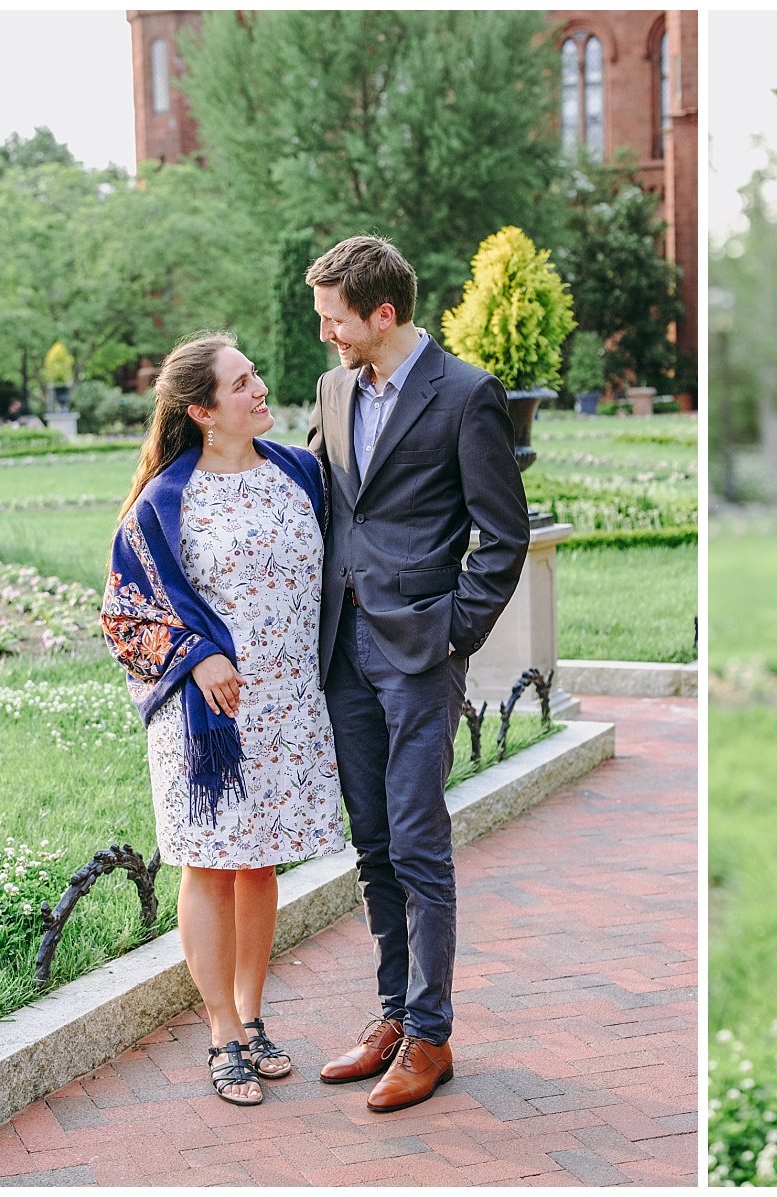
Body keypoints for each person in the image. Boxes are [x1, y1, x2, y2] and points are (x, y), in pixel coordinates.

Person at [304, 235, 530, 1112]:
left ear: (382, 314)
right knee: (372, 843)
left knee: (418, 842)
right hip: (342, 651)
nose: (326, 333)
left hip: (419, 653)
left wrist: (451, 635)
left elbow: (501, 538)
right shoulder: (332, 389)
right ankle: (393, 1014)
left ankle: (432, 1038)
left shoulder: (468, 395)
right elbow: (321, 495)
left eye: (335, 318)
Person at [102, 333, 344, 1107]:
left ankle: (253, 1013)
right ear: (204, 411)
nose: (260, 388)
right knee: (210, 863)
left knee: (260, 863)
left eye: (256, 376)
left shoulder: (298, 473)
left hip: (289, 709)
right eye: (242, 383)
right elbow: (124, 614)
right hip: (206, 717)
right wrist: (198, 652)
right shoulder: (164, 503)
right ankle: (220, 1033)